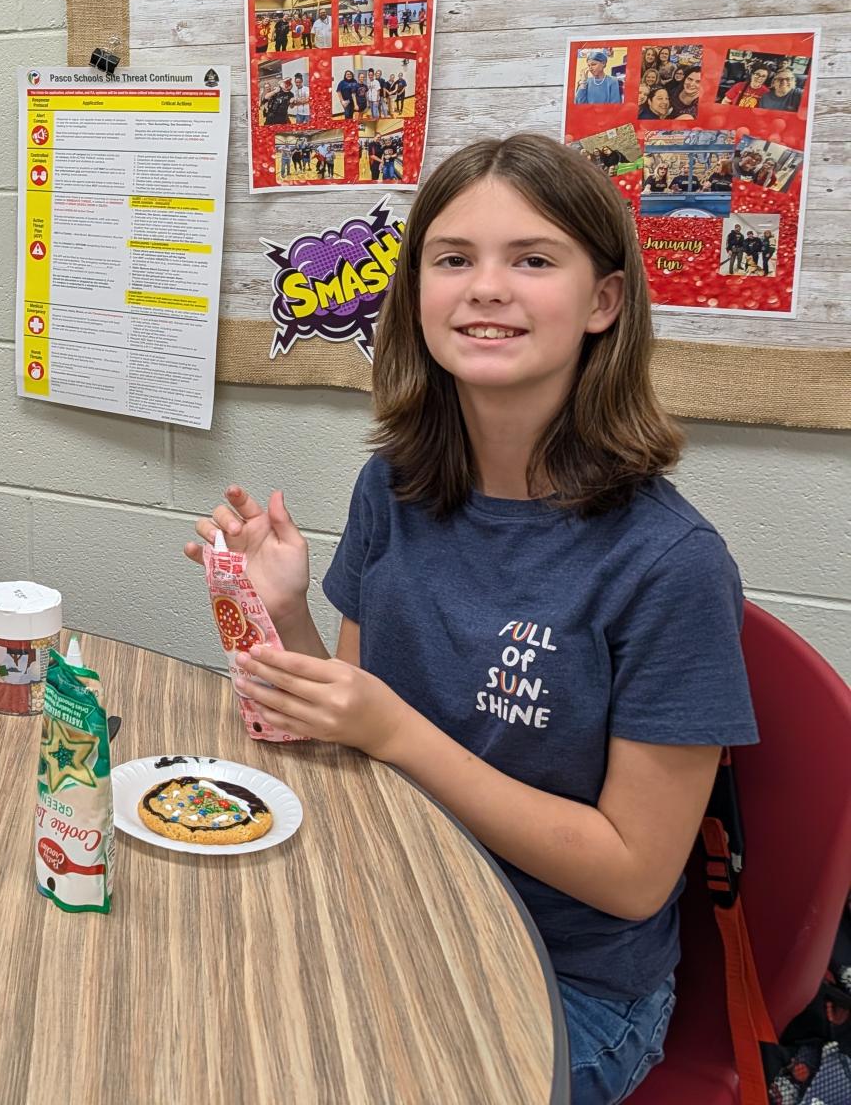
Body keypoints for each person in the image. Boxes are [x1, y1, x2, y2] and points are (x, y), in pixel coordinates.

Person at [183, 135, 753, 1105]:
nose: (486, 288)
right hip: (399, 898)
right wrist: (280, 612)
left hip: (569, 987)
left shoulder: (669, 564)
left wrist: (389, 728)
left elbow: (630, 877)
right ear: (415, 295)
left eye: (532, 260)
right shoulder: (395, 489)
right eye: (453, 260)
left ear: (604, 302)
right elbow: (359, 740)